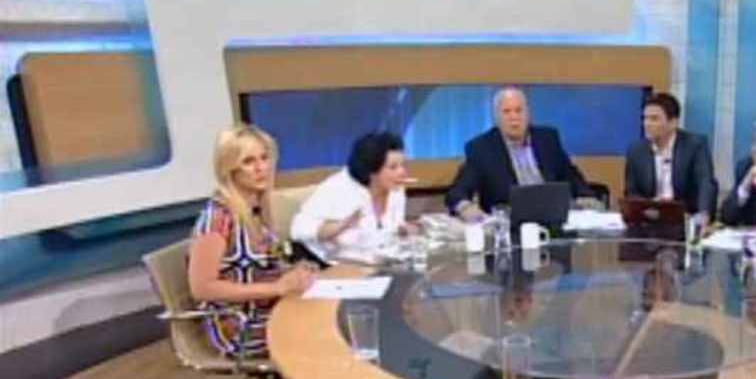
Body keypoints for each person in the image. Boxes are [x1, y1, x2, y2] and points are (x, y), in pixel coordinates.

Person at [188, 125, 315, 360]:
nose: (261, 168)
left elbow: (261, 265)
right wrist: (276, 288)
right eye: (248, 161)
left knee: (332, 315)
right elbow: (202, 288)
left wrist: (292, 272)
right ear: (230, 169)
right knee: (324, 336)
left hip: (270, 310)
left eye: (264, 158)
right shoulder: (219, 218)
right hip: (240, 327)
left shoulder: (257, 209)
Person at [446, 86, 594, 221]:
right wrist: (465, 207)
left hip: (553, 219)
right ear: (496, 118)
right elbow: (458, 191)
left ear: (528, 114)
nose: (514, 117)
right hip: (509, 225)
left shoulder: (547, 139)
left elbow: (570, 174)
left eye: (519, 110)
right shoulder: (481, 148)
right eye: (506, 112)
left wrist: (586, 198)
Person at [291, 131, 410, 264]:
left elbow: (386, 234)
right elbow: (297, 230)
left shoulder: (396, 190)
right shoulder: (338, 188)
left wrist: (402, 230)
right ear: (371, 170)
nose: (402, 172)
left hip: (368, 263)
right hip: (323, 263)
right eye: (393, 167)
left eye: (403, 165)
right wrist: (341, 226)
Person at [624, 92, 717, 222]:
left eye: (654, 119)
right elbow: (631, 192)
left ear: (673, 123)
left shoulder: (695, 145)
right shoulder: (636, 151)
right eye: (645, 118)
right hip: (650, 220)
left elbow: (705, 182)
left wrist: (703, 213)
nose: (646, 124)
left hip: (685, 218)